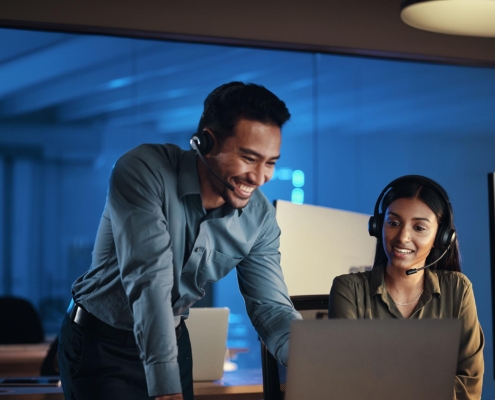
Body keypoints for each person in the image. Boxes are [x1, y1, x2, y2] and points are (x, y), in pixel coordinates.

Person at [58, 81, 302, 400]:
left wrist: (314, 361)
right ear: (206, 141)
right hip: (102, 343)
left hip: (173, 341)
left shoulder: (259, 217)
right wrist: (166, 387)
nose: (258, 178)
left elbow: (270, 308)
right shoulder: (144, 170)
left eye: (270, 162)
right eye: (248, 158)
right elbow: (150, 282)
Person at [328, 175, 484, 399]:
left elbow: (469, 388)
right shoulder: (349, 290)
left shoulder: (458, 290)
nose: (403, 237)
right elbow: (351, 383)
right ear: (378, 226)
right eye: (393, 223)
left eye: (419, 227)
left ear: (440, 238)